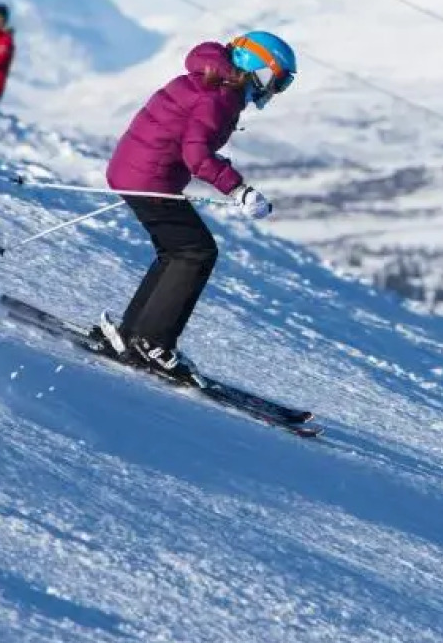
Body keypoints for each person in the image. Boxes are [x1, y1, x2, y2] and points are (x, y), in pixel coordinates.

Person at [97, 30, 296, 381]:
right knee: (196, 252)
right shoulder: (220, 96)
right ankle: (152, 341)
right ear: (257, 67)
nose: (273, 91)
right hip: (149, 178)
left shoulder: (210, 79)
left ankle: (133, 335)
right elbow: (197, 156)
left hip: (135, 171)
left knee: (177, 252)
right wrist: (239, 190)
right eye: (276, 81)